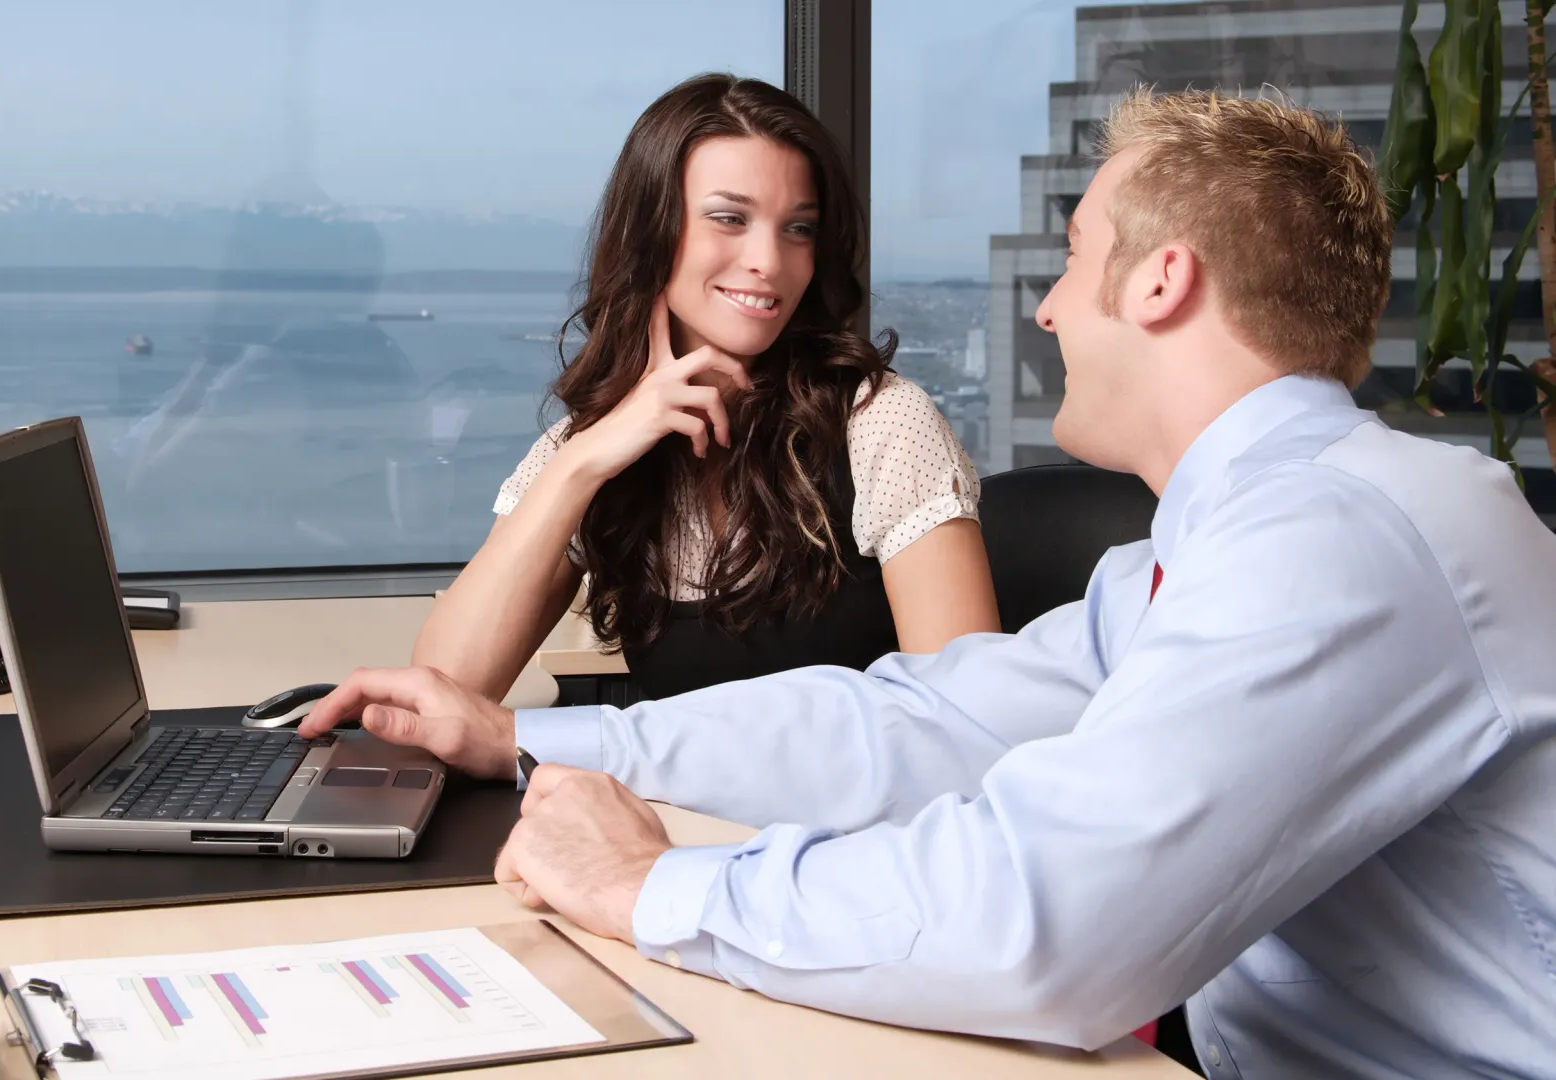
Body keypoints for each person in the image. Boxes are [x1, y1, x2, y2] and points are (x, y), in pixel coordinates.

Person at [305, 89, 1556, 1079]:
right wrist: (530, 739)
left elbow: (1049, 923)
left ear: (1163, 281)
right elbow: (929, 714)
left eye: (1075, 258)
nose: (1052, 309)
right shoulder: (1221, 545)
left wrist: (643, 888)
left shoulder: (1335, 542)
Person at [412, 74, 998, 702]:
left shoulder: (883, 421)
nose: (769, 261)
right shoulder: (598, 444)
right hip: (663, 804)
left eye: (798, 228)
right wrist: (580, 463)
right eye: (729, 218)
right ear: (650, 232)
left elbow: (968, 720)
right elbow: (444, 691)